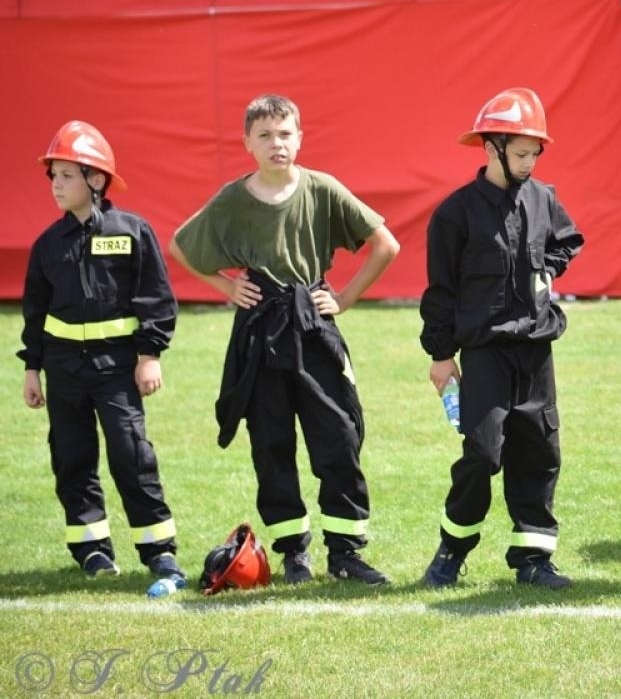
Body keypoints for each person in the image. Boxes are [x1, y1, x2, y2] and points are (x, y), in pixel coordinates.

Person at [169, 94, 401, 586]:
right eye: (265, 135)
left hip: (312, 326)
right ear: (247, 143)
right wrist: (227, 285)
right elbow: (180, 245)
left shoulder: (323, 189)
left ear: (300, 137)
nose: (277, 144)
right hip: (260, 331)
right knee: (272, 444)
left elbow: (386, 244)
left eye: (285, 133)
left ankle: (345, 553)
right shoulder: (233, 198)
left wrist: (345, 298)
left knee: (338, 436)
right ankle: (294, 553)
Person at [418, 88, 585, 590]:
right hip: (485, 351)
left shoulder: (543, 198)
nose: (530, 163)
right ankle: (452, 549)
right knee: (484, 453)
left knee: (539, 450)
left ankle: (533, 559)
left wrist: (546, 272)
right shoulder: (455, 214)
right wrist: (441, 355)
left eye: (535, 153)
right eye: (520, 153)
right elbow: (440, 290)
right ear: (490, 148)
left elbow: (568, 240)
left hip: (536, 349)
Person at [19, 121, 184, 583]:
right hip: (63, 371)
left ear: (96, 179)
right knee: (72, 457)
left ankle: (158, 552)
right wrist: (32, 370)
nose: (56, 184)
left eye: (67, 175)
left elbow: (156, 297)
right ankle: (92, 550)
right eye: (53, 175)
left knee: (132, 454)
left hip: (117, 369)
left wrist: (150, 355)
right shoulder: (47, 245)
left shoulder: (132, 231)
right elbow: (35, 312)